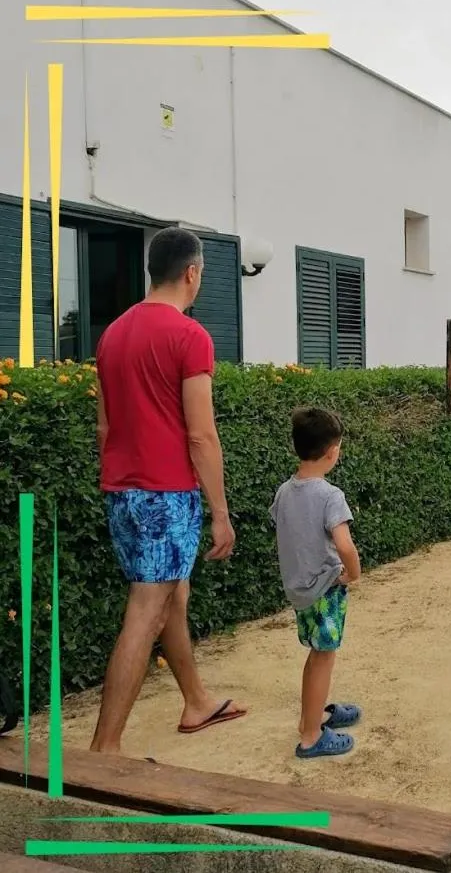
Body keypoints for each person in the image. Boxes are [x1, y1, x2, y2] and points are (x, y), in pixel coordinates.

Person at [90, 227, 247, 754]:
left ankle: (196, 702)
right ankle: (104, 751)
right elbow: (200, 434)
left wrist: (118, 482)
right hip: (166, 494)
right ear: (193, 273)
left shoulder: (112, 334)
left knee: (170, 597)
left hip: (122, 491)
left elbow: (104, 429)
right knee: (147, 611)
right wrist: (220, 513)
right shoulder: (189, 336)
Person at [270, 407, 362, 759]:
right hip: (325, 589)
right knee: (324, 654)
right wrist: (352, 573)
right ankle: (311, 736)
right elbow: (344, 546)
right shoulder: (329, 496)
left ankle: (315, 714)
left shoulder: (284, 492)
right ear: (332, 451)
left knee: (316, 652)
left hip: (299, 590)